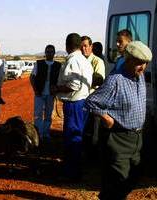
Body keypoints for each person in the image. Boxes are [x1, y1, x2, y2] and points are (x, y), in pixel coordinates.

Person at [84, 41, 152, 200]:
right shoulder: (115, 80)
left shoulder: (139, 77)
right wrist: (107, 118)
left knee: (135, 174)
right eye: (139, 63)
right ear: (128, 60)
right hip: (118, 139)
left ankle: (108, 195)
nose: (143, 67)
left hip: (137, 138)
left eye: (145, 63)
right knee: (119, 180)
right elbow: (91, 102)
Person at [55, 33, 93, 181]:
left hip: (74, 104)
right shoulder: (84, 60)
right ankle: (73, 169)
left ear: (67, 46)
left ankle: (71, 173)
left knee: (72, 138)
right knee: (77, 137)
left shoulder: (73, 60)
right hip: (82, 103)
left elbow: (73, 85)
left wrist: (57, 89)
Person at [30, 44, 61, 141]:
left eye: (51, 51)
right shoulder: (38, 64)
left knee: (48, 114)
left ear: (54, 53)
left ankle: (46, 133)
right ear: (45, 53)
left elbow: (60, 80)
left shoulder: (58, 65)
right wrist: (35, 90)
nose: (49, 53)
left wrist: (56, 90)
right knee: (38, 114)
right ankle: (38, 133)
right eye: (47, 51)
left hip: (50, 94)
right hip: (39, 93)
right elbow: (32, 77)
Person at [81, 36, 105, 156]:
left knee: (94, 133)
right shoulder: (79, 61)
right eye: (81, 46)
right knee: (83, 131)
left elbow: (99, 82)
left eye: (86, 46)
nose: (83, 49)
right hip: (81, 102)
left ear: (91, 47)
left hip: (93, 103)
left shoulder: (97, 62)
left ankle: (93, 158)